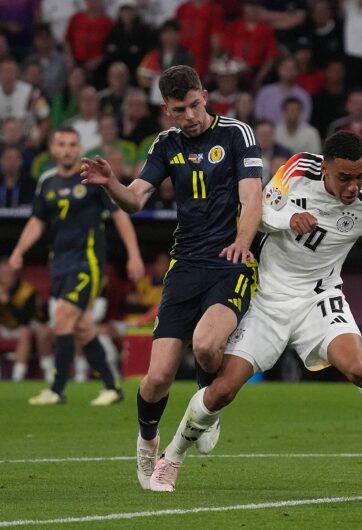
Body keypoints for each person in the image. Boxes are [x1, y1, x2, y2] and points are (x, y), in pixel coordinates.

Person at [147, 131, 362, 492]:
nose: (353, 186)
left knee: (360, 370)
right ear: (325, 167)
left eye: (360, 176)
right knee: (222, 391)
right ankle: (171, 459)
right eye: (345, 177)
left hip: (320, 299)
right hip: (267, 298)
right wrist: (289, 218)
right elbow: (257, 212)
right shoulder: (297, 169)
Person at [79, 65, 263, 490]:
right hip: (185, 265)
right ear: (167, 110)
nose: (192, 116)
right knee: (158, 377)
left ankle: (207, 406)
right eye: (181, 110)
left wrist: (241, 241)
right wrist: (111, 184)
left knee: (205, 345)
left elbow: (252, 195)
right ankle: (147, 443)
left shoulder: (237, 134)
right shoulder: (166, 144)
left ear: (204, 95)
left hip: (229, 262)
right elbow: (136, 199)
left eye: (196, 105)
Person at [10, 126, 145, 404]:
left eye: (73, 144)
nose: (68, 149)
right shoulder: (46, 181)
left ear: (79, 148)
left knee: (62, 317)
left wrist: (133, 254)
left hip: (88, 263)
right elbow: (37, 221)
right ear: (53, 149)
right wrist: (19, 251)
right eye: (62, 144)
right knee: (82, 326)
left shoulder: (92, 179)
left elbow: (120, 217)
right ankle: (112, 387)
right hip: (59, 264)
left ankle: (57, 389)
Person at [0, 257, 54, 382]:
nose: (5, 278)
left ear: (15, 274)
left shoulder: (27, 291)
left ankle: (18, 376)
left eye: (8, 274)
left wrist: (7, 302)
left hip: (28, 326)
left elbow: (24, 319)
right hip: (5, 326)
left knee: (27, 331)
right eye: (2, 274)